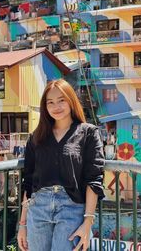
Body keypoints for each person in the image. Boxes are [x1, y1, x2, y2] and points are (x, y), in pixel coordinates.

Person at [17, 79, 105, 251]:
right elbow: (28, 182)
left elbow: (94, 179)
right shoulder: (37, 137)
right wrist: (22, 224)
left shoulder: (88, 133)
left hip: (71, 207)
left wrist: (87, 223)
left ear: (71, 100)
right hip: (38, 207)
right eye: (50, 102)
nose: (56, 106)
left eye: (61, 100)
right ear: (45, 107)